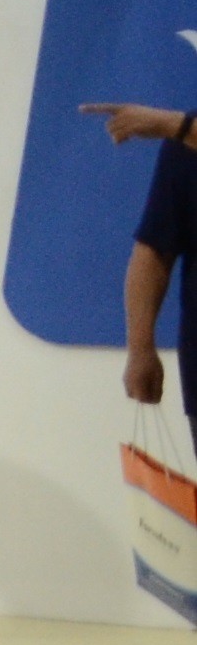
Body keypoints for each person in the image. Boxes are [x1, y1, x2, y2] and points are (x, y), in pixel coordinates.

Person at [79, 96, 197, 417]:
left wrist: (175, 125)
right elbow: (153, 250)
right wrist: (140, 347)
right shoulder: (184, 142)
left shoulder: (183, 129)